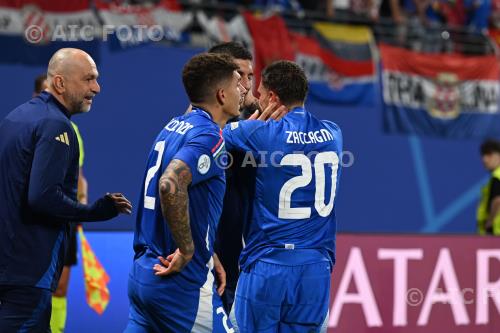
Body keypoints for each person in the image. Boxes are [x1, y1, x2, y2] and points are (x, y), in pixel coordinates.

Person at [0, 48, 132, 333]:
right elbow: (42, 197)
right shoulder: (56, 125)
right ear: (60, 83)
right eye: (88, 79)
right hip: (28, 271)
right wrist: (96, 211)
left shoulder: (16, 117)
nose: (96, 88)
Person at [125, 53, 243, 333]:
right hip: (181, 285)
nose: (244, 90)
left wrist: (208, 251)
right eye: (238, 84)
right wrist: (189, 249)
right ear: (221, 94)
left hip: (144, 275)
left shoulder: (172, 126)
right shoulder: (209, 137)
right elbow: (170, 184)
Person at [223, 60, 343, 332]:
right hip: (316, 268)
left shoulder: (261, 133)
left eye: (261, 93)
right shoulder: (334, 134)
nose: (255, 97)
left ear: (273, 98)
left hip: (269, 264)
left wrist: (250, 125)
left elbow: (212, 135)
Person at [34, 73, 87, 333]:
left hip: (65, 217)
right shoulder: (31, 125)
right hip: (35, 221)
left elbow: (80, 178)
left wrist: (81, 209)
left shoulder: (71, 129)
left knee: (60, 287)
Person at [209, 41, 259, 313]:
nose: (248, 84)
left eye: (251, 76)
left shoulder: (256, 124)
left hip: (246, 270)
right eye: (240, 76)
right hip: (212, 268)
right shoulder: (201, 132)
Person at [477, 139, 500, 235]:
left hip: (496, 233)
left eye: (489, 154)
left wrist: (489, 221)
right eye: (483, 155)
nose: (485, 159)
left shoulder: (497, 176)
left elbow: (497, 200)